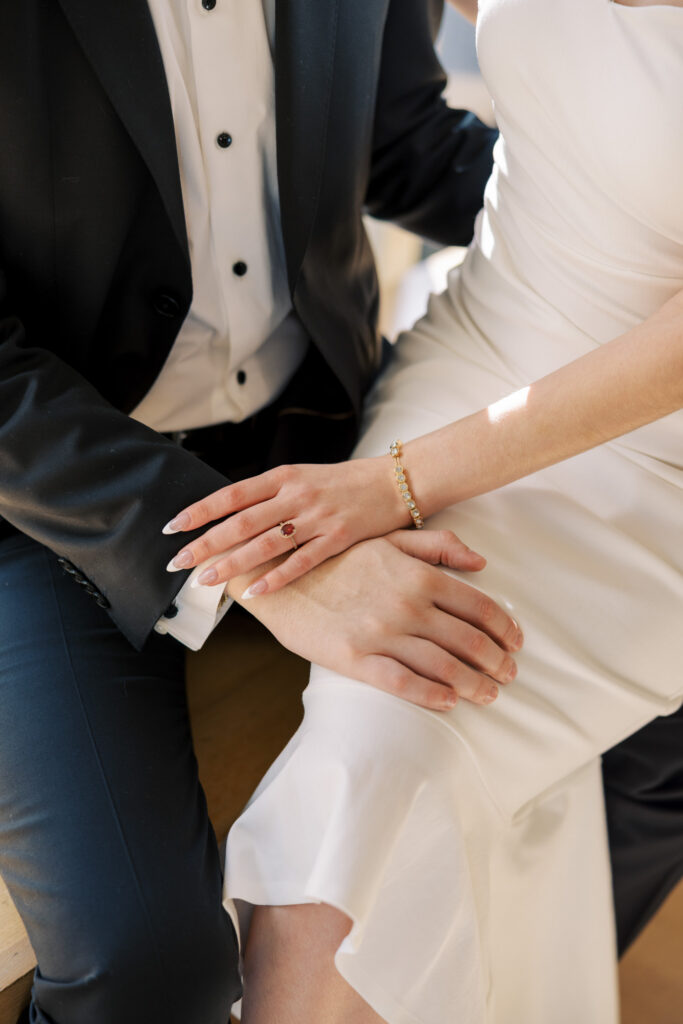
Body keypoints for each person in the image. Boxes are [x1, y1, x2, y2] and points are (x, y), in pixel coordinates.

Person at [0, 3, 534, 1023]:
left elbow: (406, 146)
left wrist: (618, 200)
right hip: (47, 494)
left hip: (326, 427)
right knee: (150, 965)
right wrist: (259, 555)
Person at [164, 0, 683, 1020]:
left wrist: (395, 482)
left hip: (654, 452)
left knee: (427, 731)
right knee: (380, 734)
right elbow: (406, 114)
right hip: (480, 344)